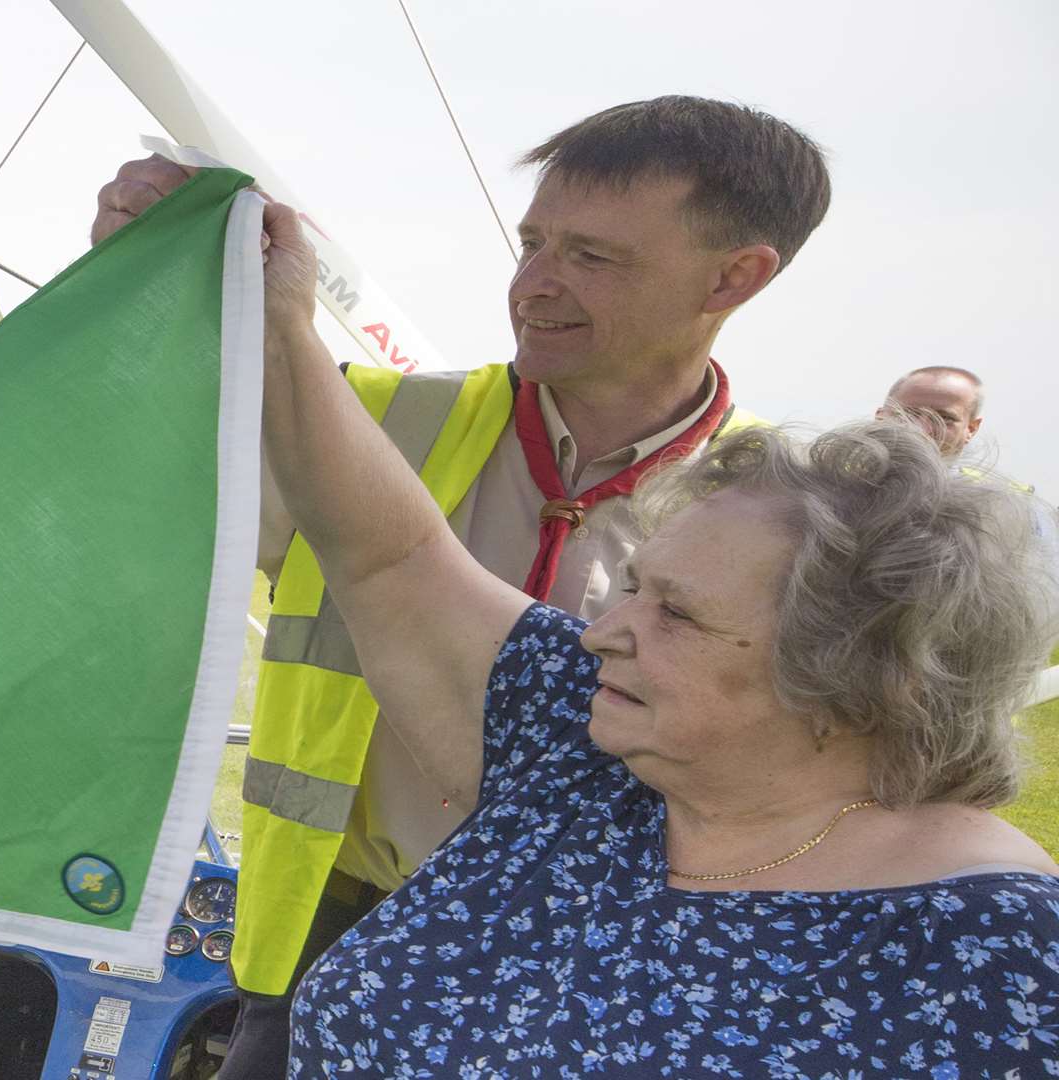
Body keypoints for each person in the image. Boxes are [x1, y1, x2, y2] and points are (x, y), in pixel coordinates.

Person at [91, 95, 831, 1074]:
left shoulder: (785, 522)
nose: (534, 285)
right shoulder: (357, 419)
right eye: (532, 243)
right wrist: (145, 290)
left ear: (736, 276)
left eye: (593, 258)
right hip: (325, 946)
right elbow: (134, 500)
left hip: (601, 966)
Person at [252, 188, 1059, 1073]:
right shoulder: (579, 743)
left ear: (863, 677)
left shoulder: (995, 951)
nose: (602, 633)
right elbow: (390, 554)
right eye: (633, 588)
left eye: (677, 612)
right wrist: (283, 316)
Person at [875, 365, 985, 457]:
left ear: (971, 429)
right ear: (880, 418)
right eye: (908, 414)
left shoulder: (984, 483)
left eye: (945, 418)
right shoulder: (858, 480)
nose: (922, 430)